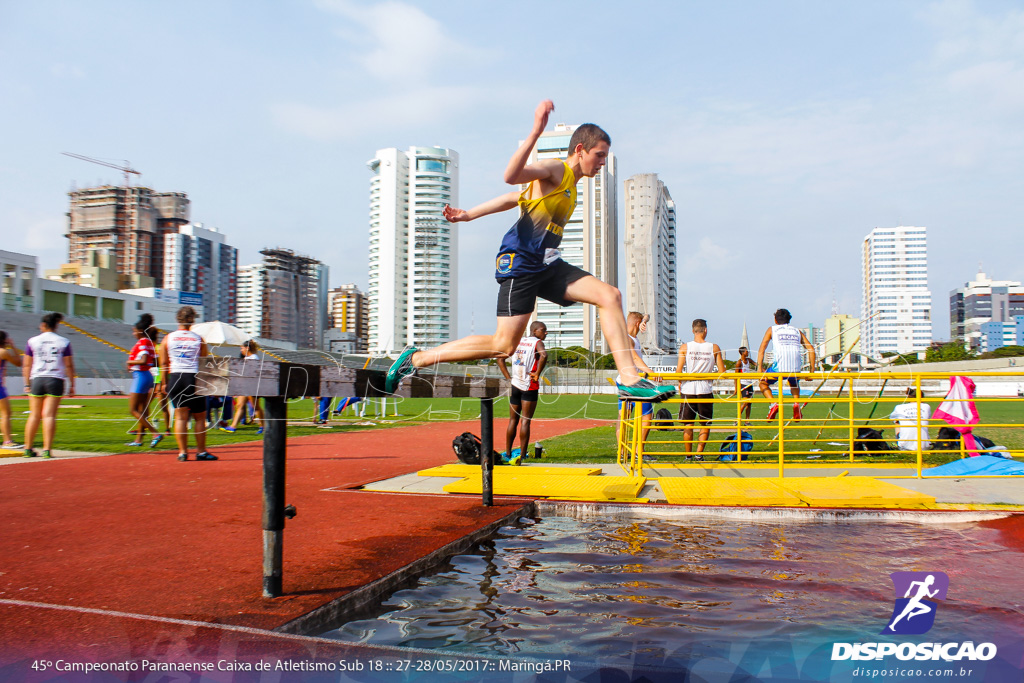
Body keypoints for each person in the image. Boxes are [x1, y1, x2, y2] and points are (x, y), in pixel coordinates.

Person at [384, 100, 674, 404]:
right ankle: (415, 359)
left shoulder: (571, 185)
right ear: (580, 151)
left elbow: (514, 197)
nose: (602, 162)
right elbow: (511, 177)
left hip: (547, 264)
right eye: (599, 155)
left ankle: (628, 378)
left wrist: (469, 214)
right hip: (520, 262)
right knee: (503, 346)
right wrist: (536, 131)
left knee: (609, 295)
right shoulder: (555, 170)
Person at [158, 306, 217, 461]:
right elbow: (204, 363)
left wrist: (164, 383)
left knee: (180, 417)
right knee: (199, 417)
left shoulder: (167, 338)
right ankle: (201, 451)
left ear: (178, 319)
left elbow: (163, 363)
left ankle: (182, 452)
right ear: (192, 320)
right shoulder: (198, 339)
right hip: (193, 377)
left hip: (176, 377)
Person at [22, 312, 74, 458]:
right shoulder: (64, 341)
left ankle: (27, 448)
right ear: (56, 325)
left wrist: (27, 383)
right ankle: (47, 450)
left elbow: (26, 365)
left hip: (37, 378)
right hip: (55, 379)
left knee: (34, 415)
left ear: (43, 325)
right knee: (49, 415)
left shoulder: (32, 341)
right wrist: (72, 384)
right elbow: (69, 365)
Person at [497, 320, 548, 464]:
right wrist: (537, 373)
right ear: (535, 331)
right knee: (525, 421)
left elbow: (500, 359)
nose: (545, 333)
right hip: (529, 385)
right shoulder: (537, 343)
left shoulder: (517, 341)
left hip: (515, 384)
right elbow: (544, 356)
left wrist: (508, 378)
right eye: (543, 330)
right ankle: (523, 454)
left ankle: (507, 453)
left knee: (513, 420)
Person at [756, 308, 817, 421]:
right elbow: (811, 349)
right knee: (794, 382)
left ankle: (773, 404)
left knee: (763, 383)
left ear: (775, 320)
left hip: (779, 368)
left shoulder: (772, 329)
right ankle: (796, 404)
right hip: (795, 368)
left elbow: (762, 349)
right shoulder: (797, 331)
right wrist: (811, 372)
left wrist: (759, 368)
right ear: (789, 320)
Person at [677, 319, 725, 458]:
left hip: (688, 389)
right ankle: (699, 454)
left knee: (688, 424)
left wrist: (681, 382)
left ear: (693, 331)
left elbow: (678, 372)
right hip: (705, 389)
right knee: (705, 423)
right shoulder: (714, 347)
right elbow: (722, 372)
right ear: (706, 330)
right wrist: (710, 375)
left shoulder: (685, 347)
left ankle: (688, 455)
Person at [615, 313, 659, 453]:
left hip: (623, 381)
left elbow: (647, 315)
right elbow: (635, 358)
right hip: (633, 382)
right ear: (637, 323)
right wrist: (651, 373)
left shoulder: (630, 337)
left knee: (624, 416)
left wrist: (644, 320)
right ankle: (638, 451)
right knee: (646, 415)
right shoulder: (628, 339)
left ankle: (622, 452)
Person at [126, 313, 165, 448]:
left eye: (135, 331)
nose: (133, 334)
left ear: (140, 331)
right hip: (147, 375)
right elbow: (155, 361)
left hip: (141, 376)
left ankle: (155, 433)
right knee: (143, 410)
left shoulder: (142, 342)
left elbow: (143, 359)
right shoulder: (149, 342)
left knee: (133, 409)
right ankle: (138, 440)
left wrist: (129, 362)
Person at [220, 339, 264, 434]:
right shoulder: (246, 359)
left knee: (256, 407)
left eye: (242, 348)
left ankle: (263, 426)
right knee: (239, 406)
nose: (241, 350)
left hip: (251, 385)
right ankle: (233, 426)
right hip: (244, 385)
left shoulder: (254, 358)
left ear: (247, 348)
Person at [0, 331, 24, 450]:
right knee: (6, 414)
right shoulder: (3, 352)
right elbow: (18, 363)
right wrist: (13, 347)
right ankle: (7, 441)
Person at [735, 345, 755, 424]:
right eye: (746, 351)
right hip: (743, 384)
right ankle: (737, 419)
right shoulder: (739, 363)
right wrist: (736, 388)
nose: (748, 352)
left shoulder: (749, 360)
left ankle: (747, 421)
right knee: (745, 402)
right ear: (742, 353)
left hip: (750, 383)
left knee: (749, 404)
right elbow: (735, 376)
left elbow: (757, 365)